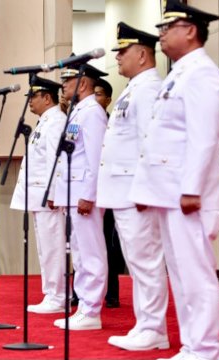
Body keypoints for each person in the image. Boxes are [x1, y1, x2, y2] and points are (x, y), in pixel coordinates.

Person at [129, 2, 219, 359]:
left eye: (168, 27)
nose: (160, 34)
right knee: (181, 275)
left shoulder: (202, 73)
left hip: (190, 194)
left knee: (196, 276)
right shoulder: (179, 73)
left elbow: (203, 139)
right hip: (170, 193)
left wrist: (190, 189)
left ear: (190, 30)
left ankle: (205, 349)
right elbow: (160, 139)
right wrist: (148, 190)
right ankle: (192, 346)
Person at [98, 22, 170, 351]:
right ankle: (145, 325)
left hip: (135, 192)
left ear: (142, 55)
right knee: (137, 262)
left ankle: (154, 328)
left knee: (146, 261)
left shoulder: (149, 88)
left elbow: (149, 143)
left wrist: (146, 189)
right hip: (124, 192)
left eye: (122, 51)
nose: (117, 57)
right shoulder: (133, 88)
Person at [52, 64, 108, 330]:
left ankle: (92, 310)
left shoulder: (93, 113)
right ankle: (84, 306)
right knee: (79, 253)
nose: (62, 85)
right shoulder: (78, 112)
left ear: (83, 83)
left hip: (83, 195)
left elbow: (97, 157)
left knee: (91, 253)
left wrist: (89, 194)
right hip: (71, 194)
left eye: (67, 80)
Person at [10, 76, 66, 314]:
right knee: (45, 247)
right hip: (38, 196)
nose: (29, 102)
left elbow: (58, 160)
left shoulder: (55, 122)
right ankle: (51, 293)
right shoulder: (44, 122)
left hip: (48, 198)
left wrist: (54, 193)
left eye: (33, 97)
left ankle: (58, 296)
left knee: (52, 246)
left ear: (46, 97)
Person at [93, 77, 126, 309]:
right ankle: (80, 291)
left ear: (107, 99)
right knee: (86, 244)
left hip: (109, 190)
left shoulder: (110, 121)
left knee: (109, 242)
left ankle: (111, 292)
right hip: (90, 191)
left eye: (99, 94)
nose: (95, 98)